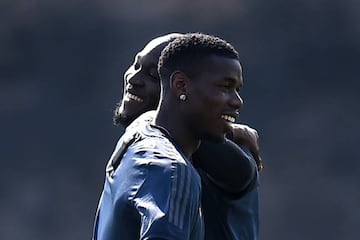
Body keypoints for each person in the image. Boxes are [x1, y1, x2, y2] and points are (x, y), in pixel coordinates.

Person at [92, 32, 247, 240]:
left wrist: (227, 128)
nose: (238, 102)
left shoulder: (136, 136)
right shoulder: (172, 171)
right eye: (224, 87)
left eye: (236, 89)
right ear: (180, 85)